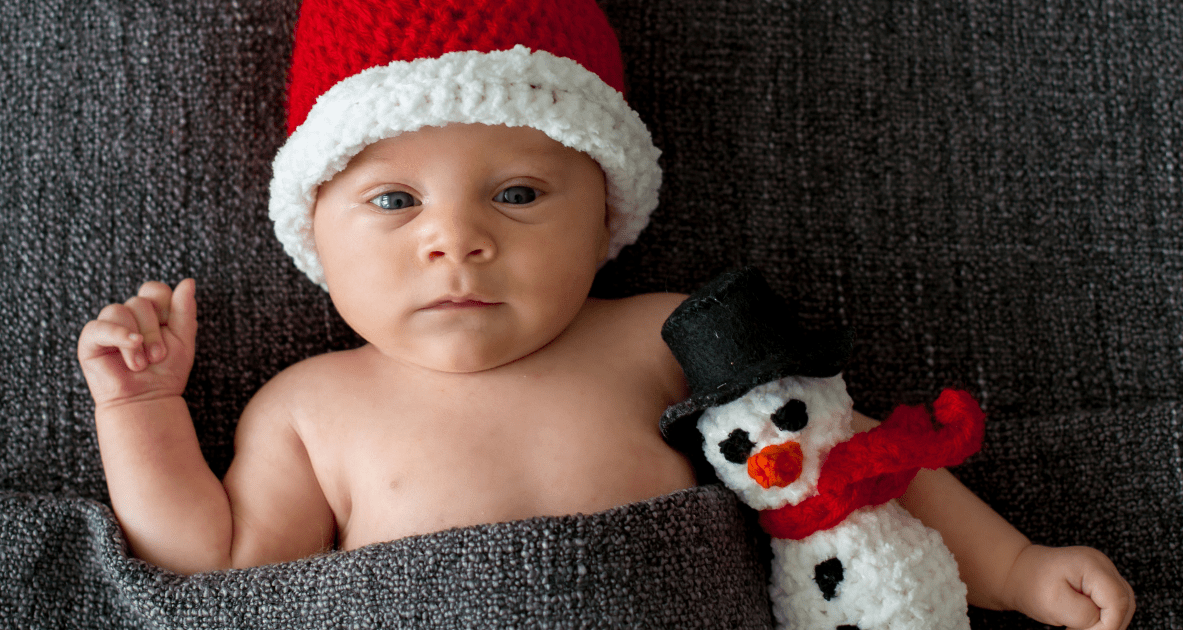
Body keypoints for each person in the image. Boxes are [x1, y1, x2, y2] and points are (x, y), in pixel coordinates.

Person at [76, 0, 1135, 628]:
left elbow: (847, 469)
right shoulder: (309, 408)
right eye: (394, 201)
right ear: (315, 232)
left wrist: (1015, 570)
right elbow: (213, 575)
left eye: (520, 194)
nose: (456, 238)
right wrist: (142, 415)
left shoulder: (664, 336)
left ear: (606, 216)